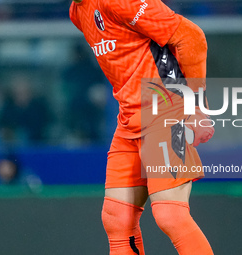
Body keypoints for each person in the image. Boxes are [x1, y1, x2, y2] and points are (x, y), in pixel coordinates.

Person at [69, 0, 215, 254]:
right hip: (128, 120)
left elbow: (191, 36)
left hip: (165, 110)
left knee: (170, 213)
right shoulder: (77, 11)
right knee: (117, 218)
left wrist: (197, 106)